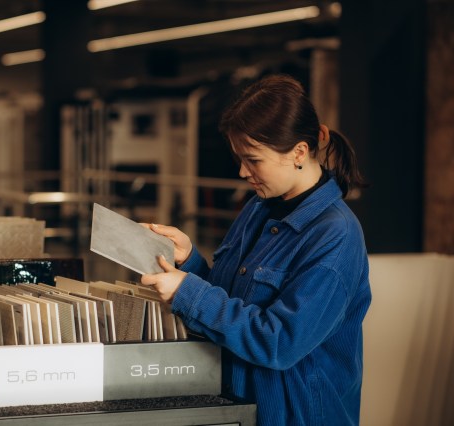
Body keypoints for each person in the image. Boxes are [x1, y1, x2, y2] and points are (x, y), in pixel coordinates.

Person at [140, 74, 371, 426]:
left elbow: (278, 342)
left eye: (253, 160)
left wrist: (187, 292)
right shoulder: (259, 208)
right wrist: (189, 263)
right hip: (239, 405)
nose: (242, 171)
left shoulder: (335, 235)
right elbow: (233, 301)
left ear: (299, 152)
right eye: (239, 157)